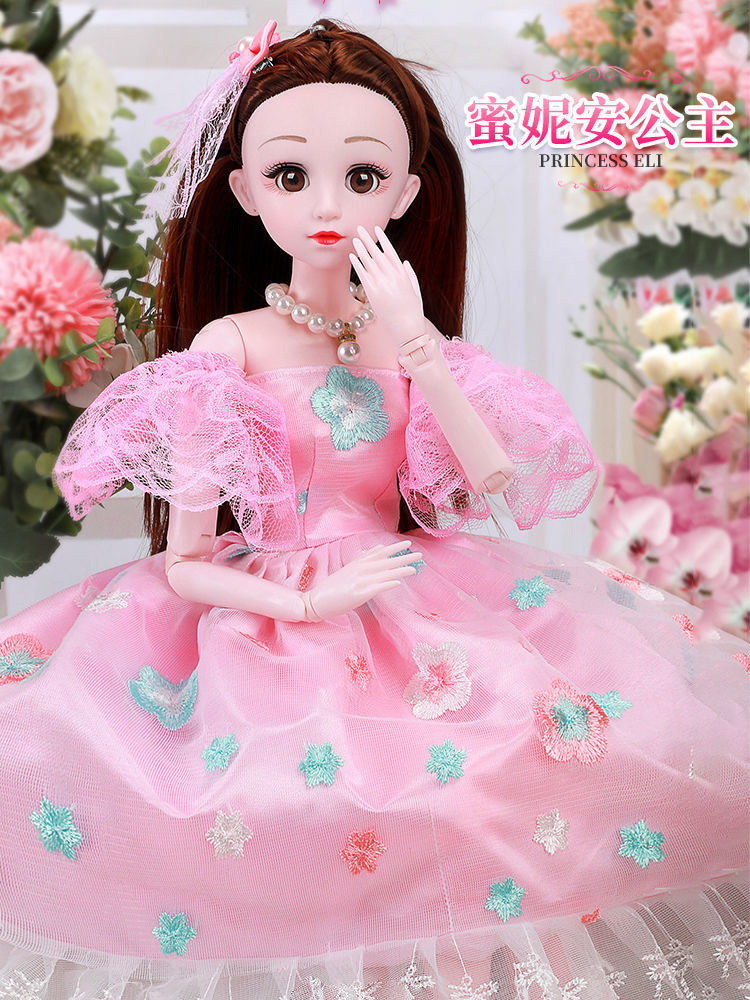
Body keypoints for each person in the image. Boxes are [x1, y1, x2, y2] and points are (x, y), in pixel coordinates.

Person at [0, 17, 747, 1000]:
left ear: (403, 194)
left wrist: (415, 340)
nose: (326, 204)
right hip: (265, 621)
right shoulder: (227, 348)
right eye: (290, 174)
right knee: (273, 814)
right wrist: (306, 603)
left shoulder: (403, 337)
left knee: (509, 775)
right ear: (245, 191)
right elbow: (184, 563)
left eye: (361, 176)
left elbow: (496, 484)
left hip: (413, 596)